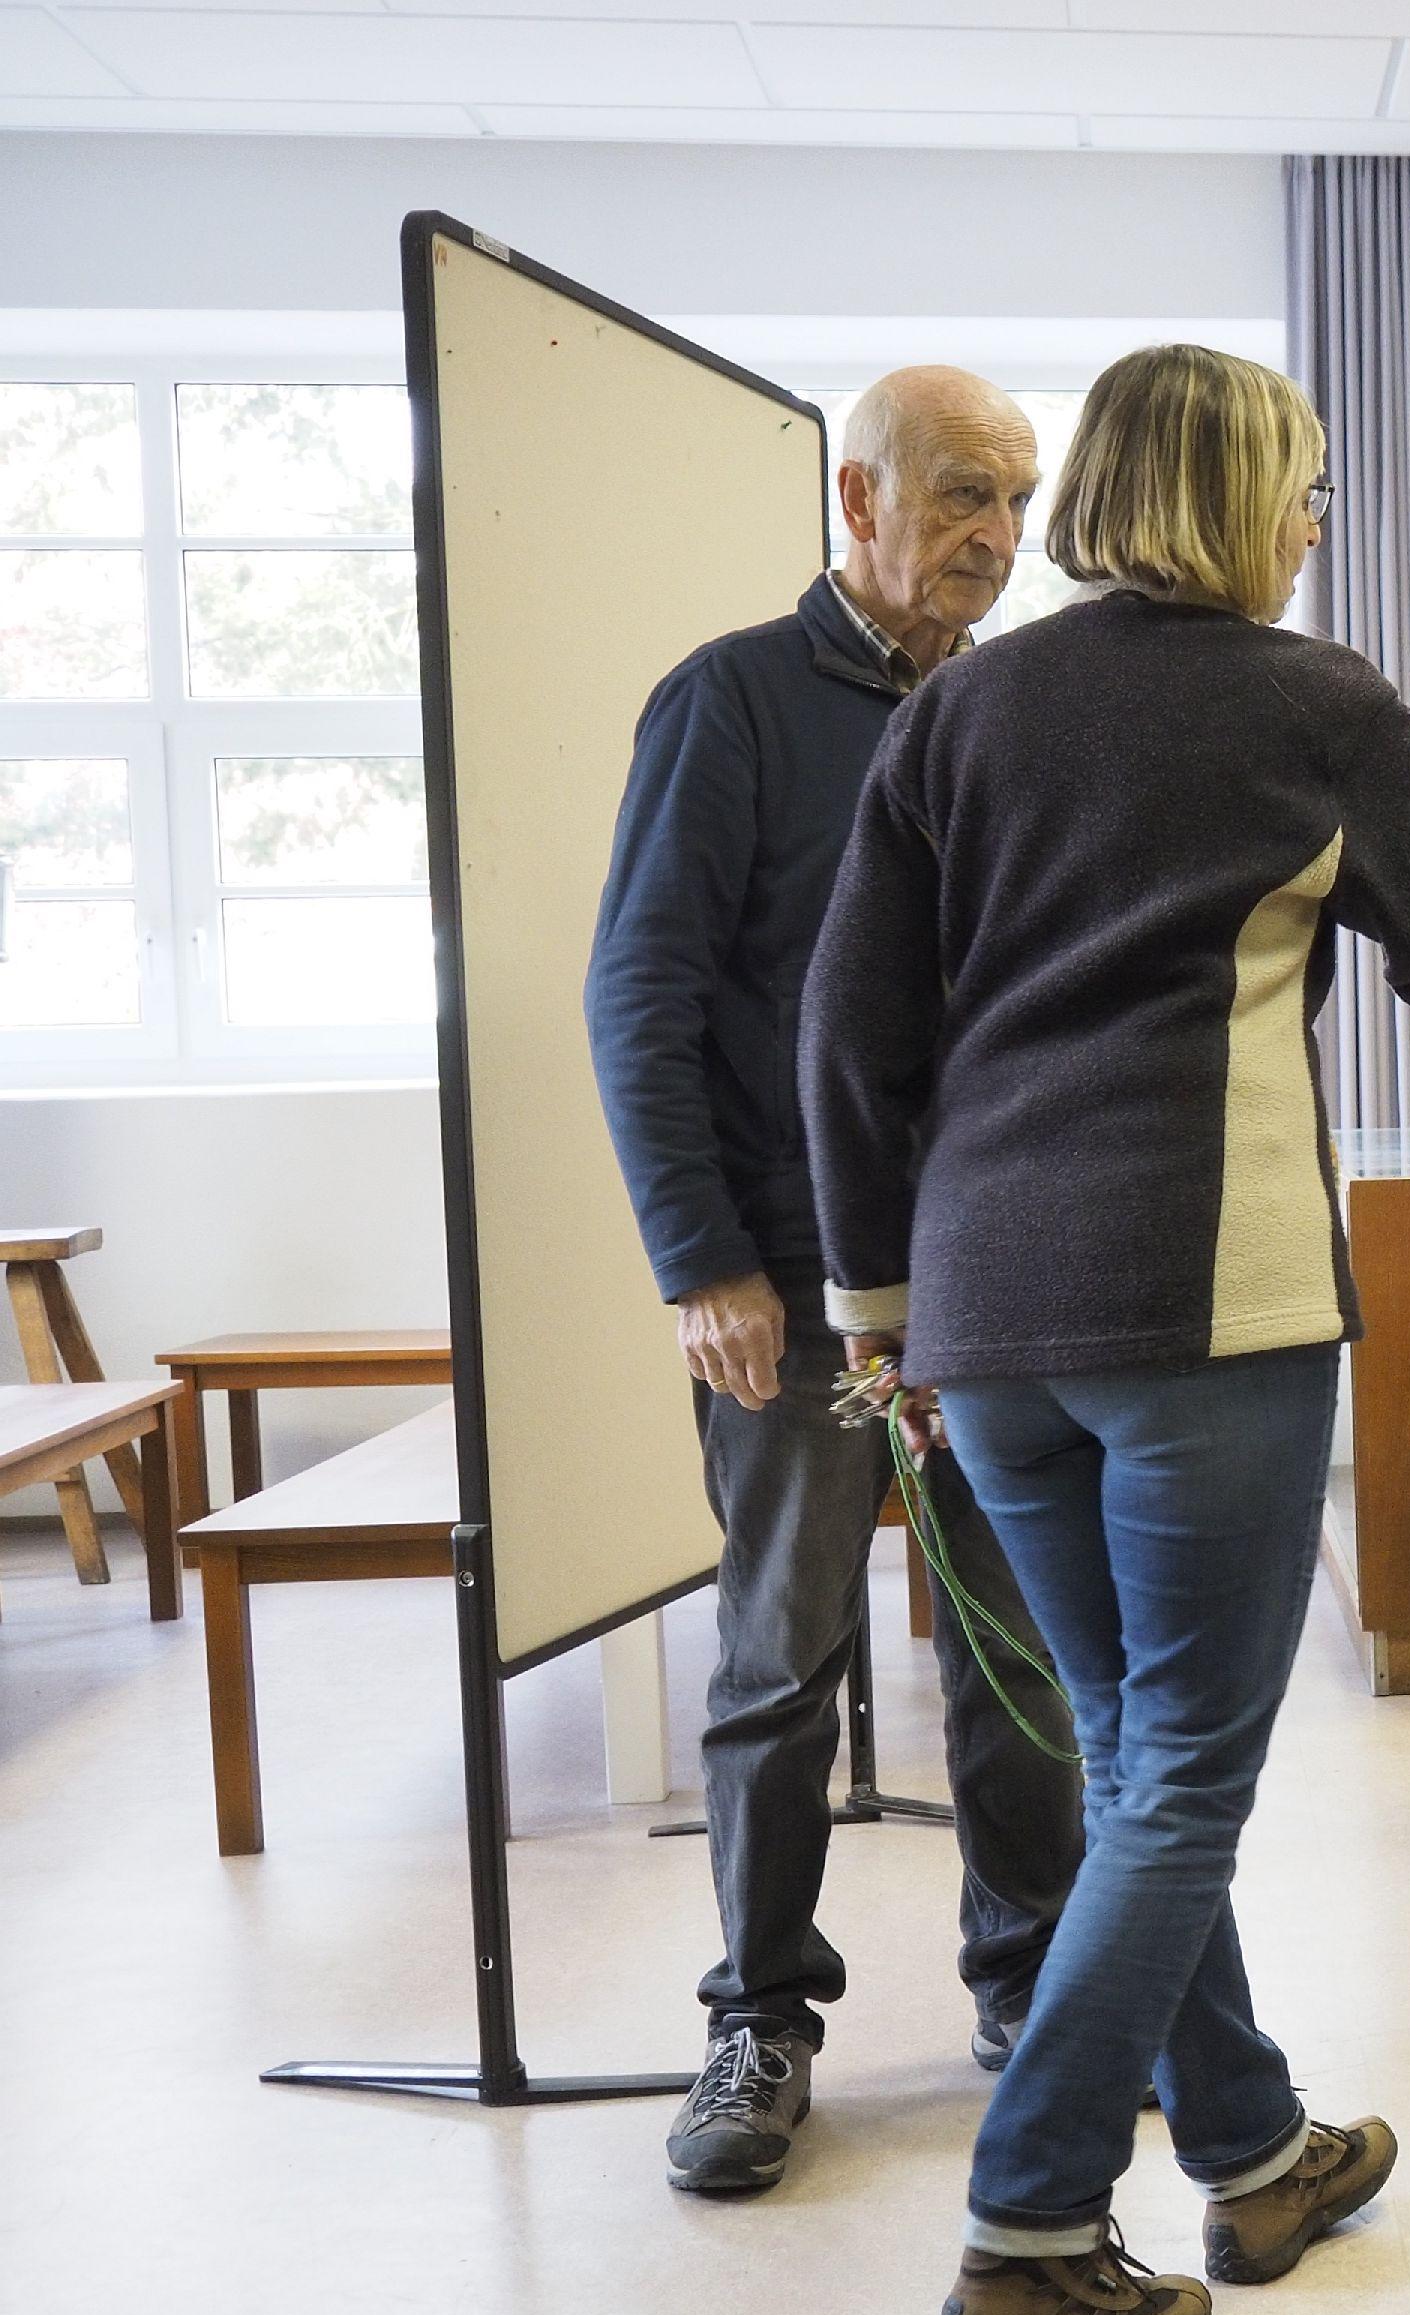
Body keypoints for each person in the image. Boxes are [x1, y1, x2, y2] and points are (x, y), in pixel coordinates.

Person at [797, 343, 1410, 2315]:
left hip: (985, 1321)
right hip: (1199, 1301)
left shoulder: (961, 710)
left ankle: (1251, 2145)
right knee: (1194, 1775)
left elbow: (852, 1037)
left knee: (1138, 1762)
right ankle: (1033, 2221)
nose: (1320, 525)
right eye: (1303, 490)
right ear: (1230, 498)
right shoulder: (1312, 703)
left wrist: (880, 1320)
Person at [585, 365, 1083, 2198]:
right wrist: (701, 1257)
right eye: (961, 493)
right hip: (790, 1286)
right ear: (857, 497)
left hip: (995, 1278)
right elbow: (636, 991)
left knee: (1020, 1653)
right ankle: (760, 2019)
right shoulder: (731, 700)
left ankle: (1031, 1986)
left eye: (1017, 501)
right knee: (782, 1662)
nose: (994, 536)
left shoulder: (1011, 706)